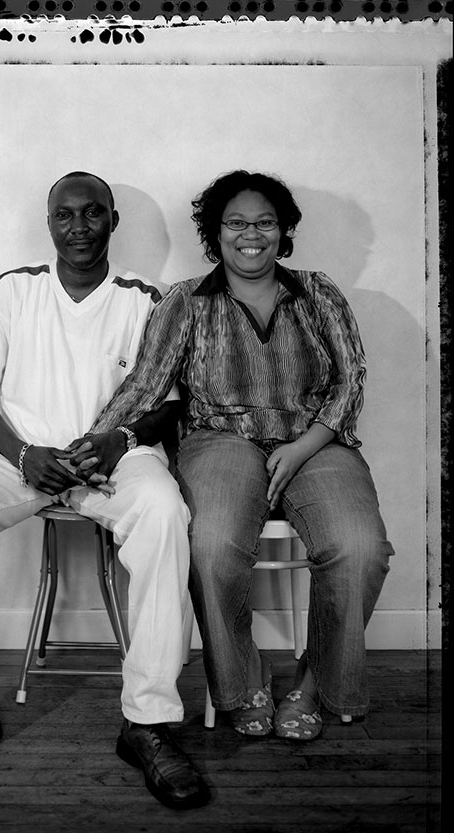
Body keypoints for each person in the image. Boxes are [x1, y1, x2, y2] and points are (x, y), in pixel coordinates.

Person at [0, 171, 210, 809]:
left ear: (113, 220)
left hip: (114, 458)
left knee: (165, 512)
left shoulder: (147, 299)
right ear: (49, 223)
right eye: (65, 215)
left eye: (93, 213)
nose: (79, 227)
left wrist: (119, 439)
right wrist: (23, 455)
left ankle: (147, 722)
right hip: (22, 457)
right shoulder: (14, 290)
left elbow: (172, 403)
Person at [75, 170, 394, 741]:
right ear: (216, 233)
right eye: (237, 223)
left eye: (265, 223)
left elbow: (352, 379)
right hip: (219, 439)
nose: (252, 235)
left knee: (360, 547)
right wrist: (93, 443)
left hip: (314, 437)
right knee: (210, 546)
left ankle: (315, 683)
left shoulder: (318, 293)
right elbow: (145, 384)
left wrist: (304, 447)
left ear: (283, 230)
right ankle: (244, 681)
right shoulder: (186, 302)